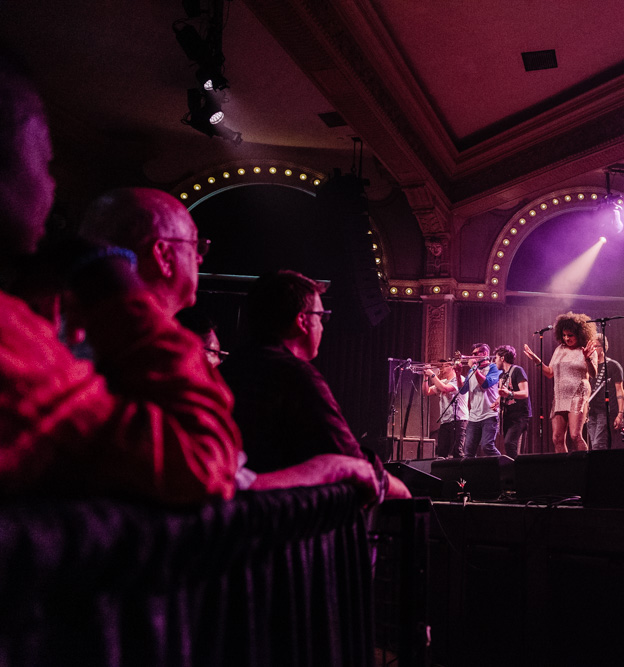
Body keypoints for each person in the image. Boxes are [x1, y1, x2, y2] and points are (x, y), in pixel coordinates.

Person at [0, 55, 240, 505]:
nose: (52, 188)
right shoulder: (14, 337)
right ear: (164, 256)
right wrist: (111, 280)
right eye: (45, 165)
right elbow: (199, 462)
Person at [82, 190, 382, 498]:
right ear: (163, 255)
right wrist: (331, 468)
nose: (200, 257)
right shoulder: (154, 351)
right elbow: (211, 476)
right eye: (195, 245)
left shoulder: (79, 330)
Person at [220, 270, 409, 498]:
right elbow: (351, 459)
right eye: (321, 316)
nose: (322, 326)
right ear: (302, 321)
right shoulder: (296, 375)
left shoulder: (226, 369)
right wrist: (401, 492)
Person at [523, 312, 598, 453]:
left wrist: (587, 359)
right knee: (557, 438)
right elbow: (550, 373)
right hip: (560, 396)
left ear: (580, 334)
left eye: (570, 335)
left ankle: (585, 469)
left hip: (578, 394)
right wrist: (536, 360)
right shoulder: (560, 349)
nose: (566, 338)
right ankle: (564, 470)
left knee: (575, 435)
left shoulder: (587, 349)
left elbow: (593, 373)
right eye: (564, 335)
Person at [459, 343, 503, 457]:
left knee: (487, 446)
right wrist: (458, 374)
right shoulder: (471, 371)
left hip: (489, 415)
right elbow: (463, 390)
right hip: (473, 417)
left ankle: (505, 466)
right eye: (472, 354)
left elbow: (485, 384)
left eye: (475, 353)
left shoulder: (493, 368)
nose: (471, 356)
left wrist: (474, 368)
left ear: (485, 354)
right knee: (468, 452)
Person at [422, 359, 468, 458]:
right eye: (442, 366)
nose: (442, 368)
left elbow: (445, 388)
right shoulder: (442, 381)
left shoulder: (459, 379)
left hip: (459, 419)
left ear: (452, 367)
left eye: (445, 366)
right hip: (445, 421)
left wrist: (432, 375)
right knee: (441, 451)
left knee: (457, 451)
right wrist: (425, 377)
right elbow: (427, 391)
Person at [586, 333, 624, 450]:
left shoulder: (613, 365)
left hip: (605, 412)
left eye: (595, 346)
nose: (592, 349)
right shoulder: (588, 366)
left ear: (602, 348)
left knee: (599, 445)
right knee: (594, 445)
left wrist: (620, 414)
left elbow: (620, 391)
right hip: (590, 412)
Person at [492, 345, 531, 458]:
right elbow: (502, 395)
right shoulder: (501, 376)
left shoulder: (517, 370)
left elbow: (525, 393)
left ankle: (518, 471)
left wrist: (509, 393)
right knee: (509, 446)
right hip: (508, 416)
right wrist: (497, 402)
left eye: (496, 358)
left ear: (502, 358)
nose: (495, 361)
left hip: (519, 416)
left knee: (510, 444)